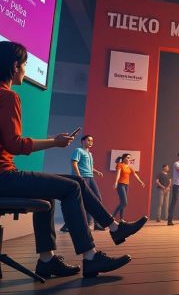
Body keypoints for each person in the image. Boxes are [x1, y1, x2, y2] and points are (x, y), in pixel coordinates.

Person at [0, 40, 147, 278]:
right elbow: (14, 145)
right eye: (25, 64)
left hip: (4, 177)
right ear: (15, 66)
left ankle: (50, 259)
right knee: (71, 188)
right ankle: (91, 256)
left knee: (67, 184)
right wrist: (54, 142)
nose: (26, 70)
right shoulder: (8, 97)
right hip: (4, 177)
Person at [63, 135, 105, 232]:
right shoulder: (78, 150)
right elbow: (74, 163)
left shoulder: (90, 154)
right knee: (82, 201)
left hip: (90, 178)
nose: (91, 142)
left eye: (92, 141)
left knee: (97, 198)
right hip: (83, 178)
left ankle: (95, 223)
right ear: (82, 141)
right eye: (89, 140)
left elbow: (90, 167)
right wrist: (79, 176)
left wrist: (97, 172)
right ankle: (69, 224)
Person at [112, 153, 145, 221]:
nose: (129, 159)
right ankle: (113, 215)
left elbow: (135, 175)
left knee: (122, 202)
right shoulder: (120, 165)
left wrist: (141, 182)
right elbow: (118, 174)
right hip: (120, 185)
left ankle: (121, 219)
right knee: (124, 202)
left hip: (126, 185)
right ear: (124, 158)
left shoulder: (129, 167)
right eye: (128, 157)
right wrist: (116, 182)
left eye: (130, 158)